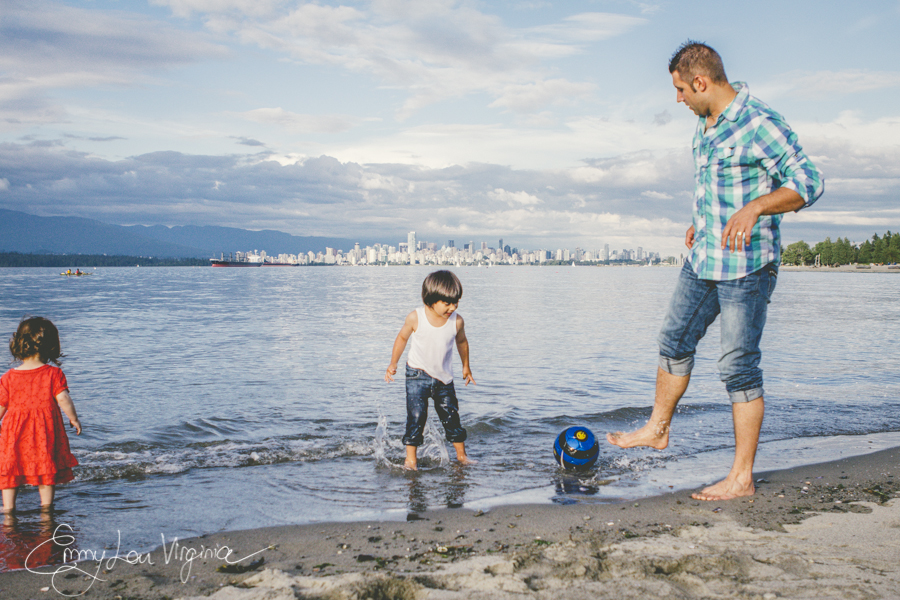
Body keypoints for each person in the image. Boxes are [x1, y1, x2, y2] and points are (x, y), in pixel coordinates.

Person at [607, 41, 824, 501]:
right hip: (703, 259)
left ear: (701, 82)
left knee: (738, 368)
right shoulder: (704, 127)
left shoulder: (759, 123)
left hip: (747, 267)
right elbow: (718, 186)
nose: (678, 99)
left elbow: (809, 180)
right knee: (673, 340)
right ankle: (657, 429)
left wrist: (757, 208)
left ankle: (741, 478)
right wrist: (699, 222)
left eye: (682, 89)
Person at [385, 270, 475, 470]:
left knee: (452, 417)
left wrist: (466, 366)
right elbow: (401, 338)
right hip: (417, 375)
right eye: (447, 303)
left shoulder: (457, 321)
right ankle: (411, 460)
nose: (453, 307)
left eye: (456, 302)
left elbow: (462, 342)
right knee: (416, 416)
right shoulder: (415, 317)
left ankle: (461, 456)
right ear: (431, 300)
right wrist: (393, 363)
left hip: (444, 380)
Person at [0, 317, 82, 513]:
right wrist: (74, 418)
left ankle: (8, 510)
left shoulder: (9, 377)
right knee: (46, 469)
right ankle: (46, 509)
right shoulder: (53, 374)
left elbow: (1, 405)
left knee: (10, 469)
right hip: (43, 433)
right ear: (51, 345)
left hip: (14, 434)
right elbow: (63, 399)